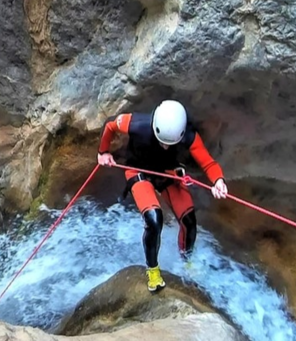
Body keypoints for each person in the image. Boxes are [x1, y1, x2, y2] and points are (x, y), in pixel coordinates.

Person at [96, 100, 228, 292]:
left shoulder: (188, 136)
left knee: (189, 220)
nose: (165, 146)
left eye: (170, 144)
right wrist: (103, 152)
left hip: (167, 173)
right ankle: (153, 271)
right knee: (154, 219)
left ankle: (187, 261)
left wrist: (218, 181)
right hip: (137, 171)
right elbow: (110, 125)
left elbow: (208, 163)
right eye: (162, 142)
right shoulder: (137, 124)